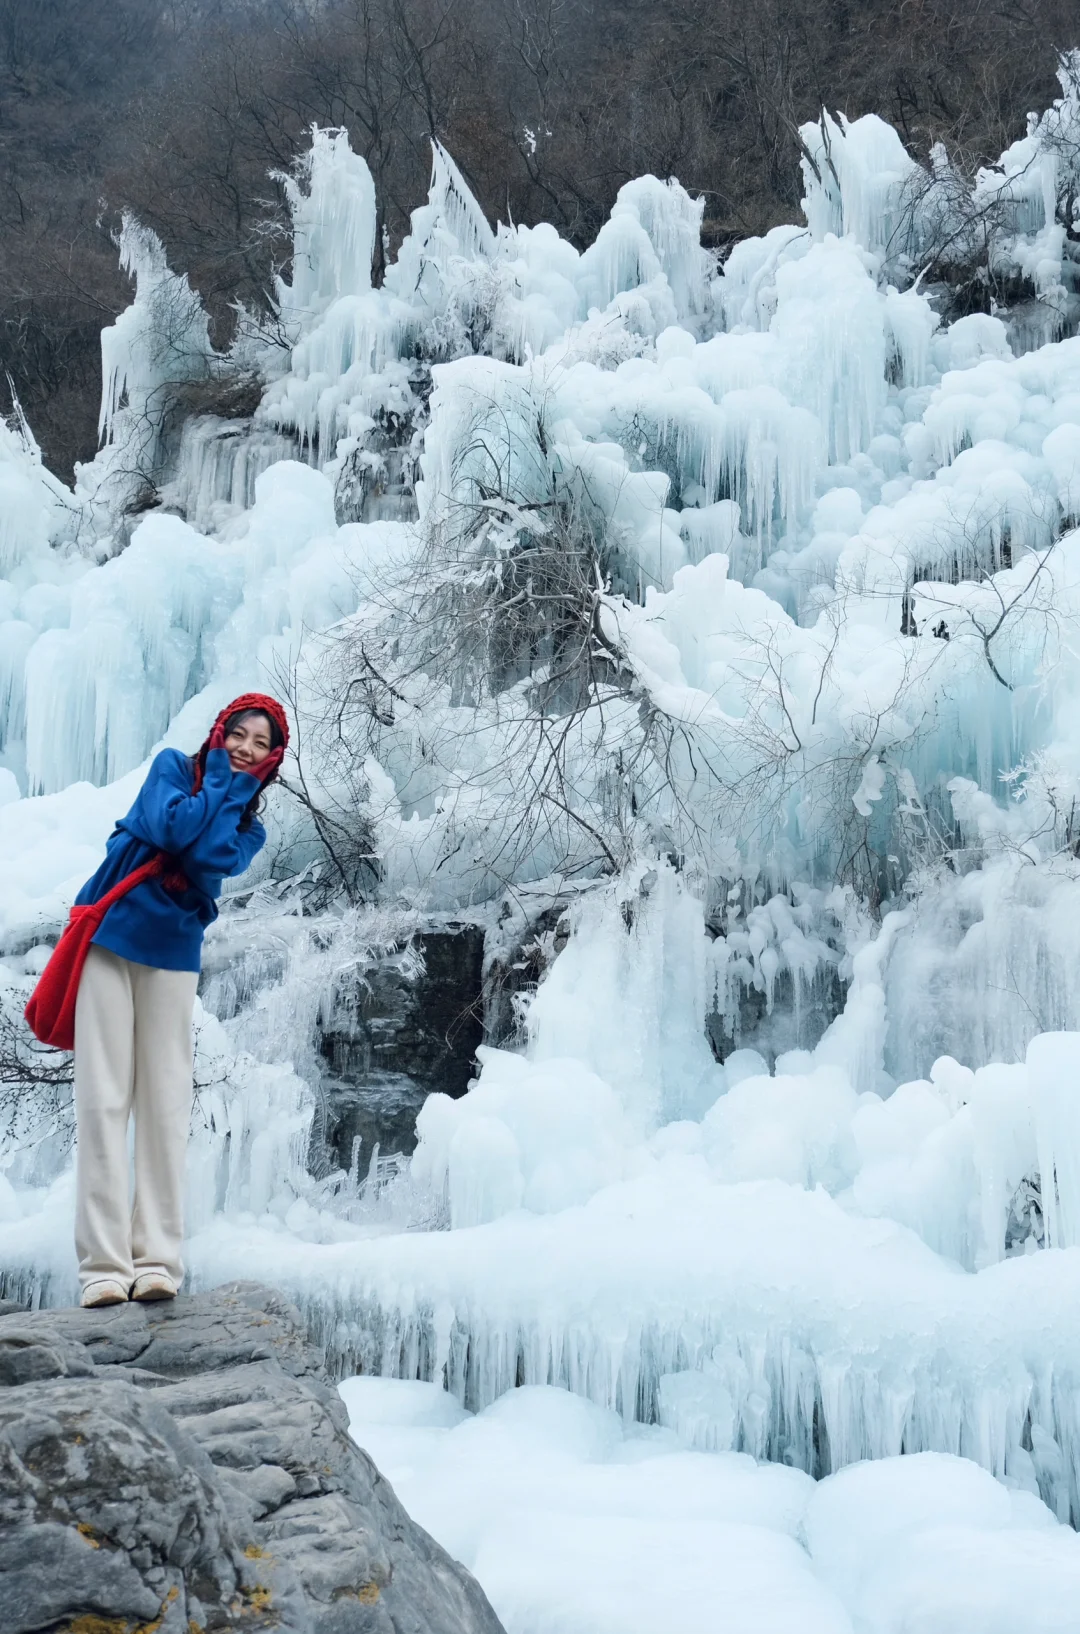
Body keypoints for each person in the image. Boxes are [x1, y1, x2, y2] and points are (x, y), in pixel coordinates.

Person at [70, 693, 287, 1309]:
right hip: (110, 938)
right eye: (237, 734)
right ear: (219, 732)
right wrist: (220, 778)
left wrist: (226, 794)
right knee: (104, 1100)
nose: (246, 747)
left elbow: (206, 854)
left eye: (259, 744)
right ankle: (103, 1269)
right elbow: (171, 828)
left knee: (165, 1106)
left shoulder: (250, 827)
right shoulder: (170, 766)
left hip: (173, 955)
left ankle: (159, 1261)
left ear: (272, 760)